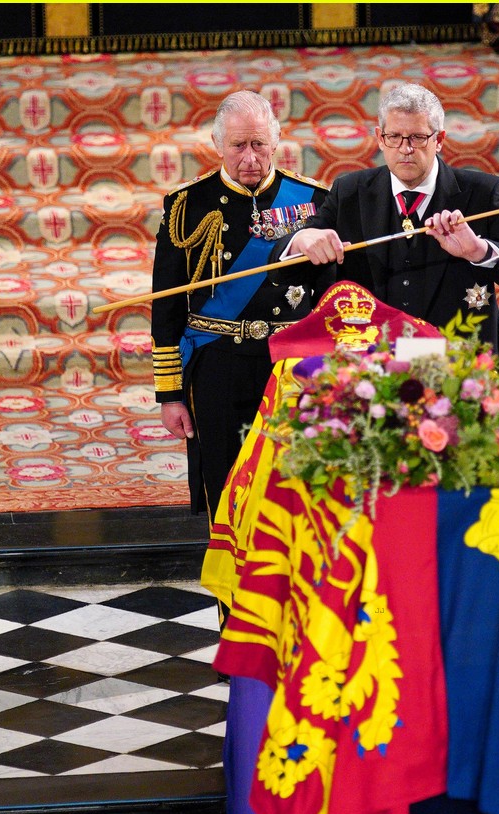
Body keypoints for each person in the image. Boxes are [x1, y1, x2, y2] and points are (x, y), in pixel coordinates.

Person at [151, 90, 327, 522]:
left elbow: (330, 299)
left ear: (277, 140)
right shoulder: (186, 207)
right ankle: (228, 586)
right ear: (217, 145)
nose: (250, 158)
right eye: (238, 146)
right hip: (218, 362)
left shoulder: (314, 203)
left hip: (290, 364)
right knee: (225, 477)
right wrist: (170, 394)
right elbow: (167, 306)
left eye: (259, 145)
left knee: (293, 480)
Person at [276, 83, 499, 359]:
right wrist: (301, 241)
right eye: (394, 137)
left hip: (458, 363)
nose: (405, 149)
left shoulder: (483, 192)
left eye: (417, 137)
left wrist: (478, 250)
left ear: (439, 139)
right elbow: (284, 270)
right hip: (372, 362)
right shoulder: (350, 191)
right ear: (380, 138)